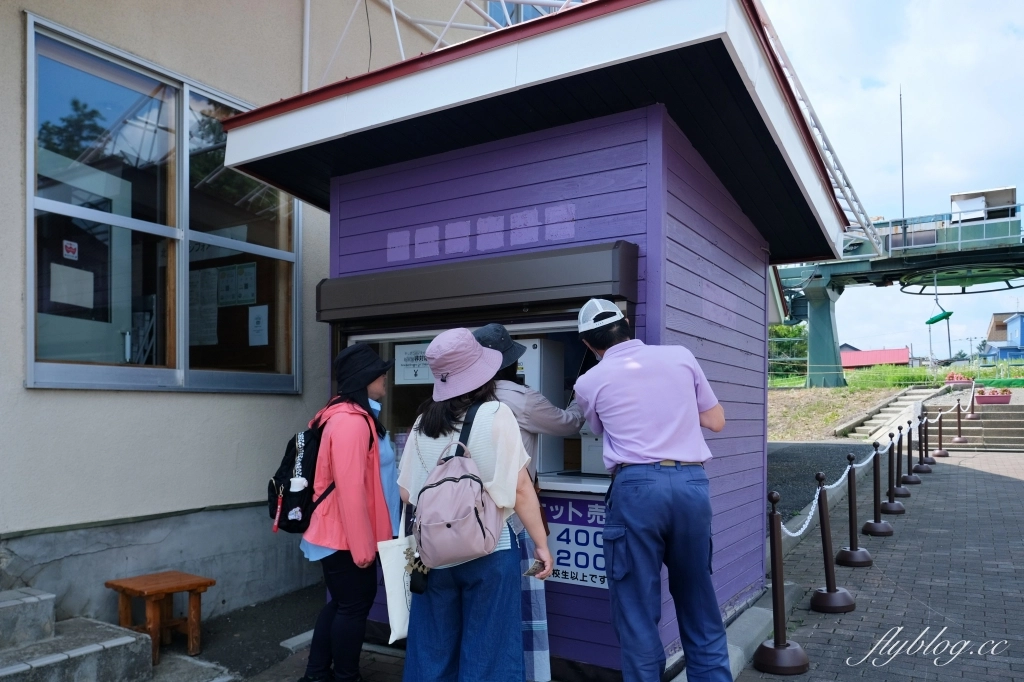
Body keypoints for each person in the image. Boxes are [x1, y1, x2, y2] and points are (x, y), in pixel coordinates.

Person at [571, 299, 730, 682]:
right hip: (691, 484)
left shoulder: (587, 382)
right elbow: (716, 420)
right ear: (627, 323)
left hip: (636, 489)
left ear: (588, 344)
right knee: (699, 602)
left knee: (636, 610)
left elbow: (598, 427)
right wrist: (675, 409)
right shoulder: (680, 356)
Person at [398, 328, 554, 682]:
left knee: (432, 653)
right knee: (489, 655)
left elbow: (407, 494)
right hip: (490, 550)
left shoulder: (423, 422)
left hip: (432, 554)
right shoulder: (496, 413)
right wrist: (541, 545)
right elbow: (521, 488)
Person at [472, 323, 585, 682]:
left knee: (480, 609)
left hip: (466, 520)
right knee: (521, 601)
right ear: (510, 363)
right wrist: (581, 394)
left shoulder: (458, 400)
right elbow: (569, 424)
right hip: (511, 519)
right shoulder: (520, 398)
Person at [298, 343, 396, 682]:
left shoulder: (348, 415)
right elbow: (351, 490)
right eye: (379, 372)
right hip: (344, 536)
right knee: (353, 607)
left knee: (342, 603)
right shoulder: (351, 422)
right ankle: (345, 676)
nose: (385, 377)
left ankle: (316, 675)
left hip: (341, 534)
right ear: (364, 378)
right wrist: (363, 548)